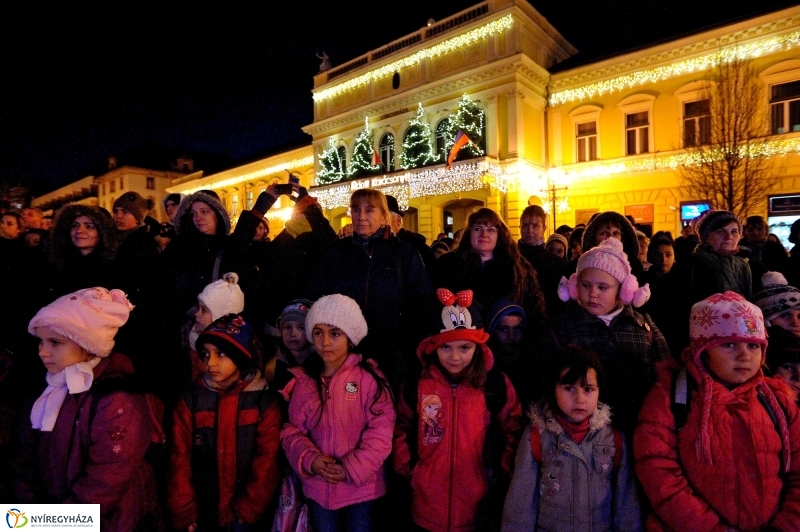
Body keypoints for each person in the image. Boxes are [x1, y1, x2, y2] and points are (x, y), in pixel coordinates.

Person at [634, 291, 800, 531]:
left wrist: (786, 526)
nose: (744, 356)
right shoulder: (671, 398)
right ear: (703, 350)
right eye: (729, 344)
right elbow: (658, 472)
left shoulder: (777, 401)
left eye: (753, 345)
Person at [15, 288, 159, 532]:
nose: (43, 351)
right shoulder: (50, 389)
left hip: (106, 521)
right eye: (41, 341)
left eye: (55, 342)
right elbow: (24, 457)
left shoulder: (117, 399)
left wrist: (53, 523)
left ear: (88, 344)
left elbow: (107, 480)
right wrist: (29, 512)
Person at [394, 288, 522, 532]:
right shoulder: (417, 385)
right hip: (427, 505)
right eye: (446, 348)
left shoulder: (494, 385)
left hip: (477, 506)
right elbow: (401, 427)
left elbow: (513, 429)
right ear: (433, 347)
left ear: (478, 348)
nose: (455, 357)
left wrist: (497, 472)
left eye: (465, 348)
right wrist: (411, 471)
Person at [281, 294, 395, 532]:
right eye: (318, 332)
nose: (325, 342)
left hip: (361, 489)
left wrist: (351, 468)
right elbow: (292, 432)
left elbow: (381, 432)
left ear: (350, 337)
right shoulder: (305, 381)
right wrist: (311, 461)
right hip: (319, 488)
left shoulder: (368, 379)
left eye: (335, 333)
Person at [502, 345, 641, 532]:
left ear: (599, 390)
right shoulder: (537, 436)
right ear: (554, 389)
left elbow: (626, 504)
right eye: (569, 388)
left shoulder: (613, 438)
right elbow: (521, 503)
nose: (580, 399)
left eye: (588, 389)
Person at [309, 189, 434, 391]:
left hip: (392, 351)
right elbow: (320, 294)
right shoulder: (338, 253)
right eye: (356, 209)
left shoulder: (403, 253)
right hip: (347, 351)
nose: (361, 216)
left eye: (369, 210)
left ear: (384, 215)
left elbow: (422, 302)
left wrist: (405, 341)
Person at [169, 313, 281, 532]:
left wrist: (248, 509)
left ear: (240, 357)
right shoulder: (192, 400)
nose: (210, 363)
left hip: (244, 517)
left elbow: (268, 461)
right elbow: (178, 458)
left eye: (220, 354)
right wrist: (184, 509)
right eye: (205, 354)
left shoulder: (263, 401)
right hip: (201, 512)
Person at [550, 238, 668, 434]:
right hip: (580, 432)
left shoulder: (642, 325)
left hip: (636, 426)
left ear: (623, 290)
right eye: (585, 285)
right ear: (574, 286)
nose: (592, 293)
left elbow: (664, 373)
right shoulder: (563, 327)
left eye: (602, 287)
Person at [435, 207, 547, 326]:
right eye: (478, 229)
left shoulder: (518, 267)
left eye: (491, 230)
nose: (484, 234)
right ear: (469, 232)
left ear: (499, 234)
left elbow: (534, 309)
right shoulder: (448, 264)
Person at [184, 273, 246, 387]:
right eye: (198, 308)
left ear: (220, 317)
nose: (197, 314)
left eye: (204, 310)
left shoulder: (232, 357)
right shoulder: (190, 341)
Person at [46, 204, 118, 297]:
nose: (79, 230)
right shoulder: (57, 264)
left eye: (89, 226)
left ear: (103, 233)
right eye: (74, 225)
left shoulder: (114, 268)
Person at [516, 205, 568, 316]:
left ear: (543, 229)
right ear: (520, 227)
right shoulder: (510, 259)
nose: (530, 230)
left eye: (535, 226)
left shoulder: (556, 264)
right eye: (525, 225)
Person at [264, 299, 314, 391]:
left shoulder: (320, 366)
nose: (293, 333)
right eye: (287, 327)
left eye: (300, 328)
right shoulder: (273, 368)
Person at [581, 211, 643, 276]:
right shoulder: (584, 264)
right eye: (603, 233)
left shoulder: (634, 264)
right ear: (593, 239)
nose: (611, 237)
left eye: (616, 233)